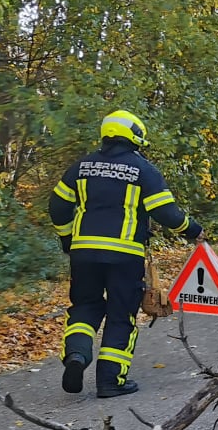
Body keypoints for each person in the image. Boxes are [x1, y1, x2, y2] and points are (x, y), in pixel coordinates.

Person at [49, 111, 202, 399]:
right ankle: (110, 381)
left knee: (84, 307)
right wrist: (193, 230)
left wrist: (67, 237)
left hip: (84, 254)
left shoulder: (81, 167)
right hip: (124, 256)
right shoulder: (143, 170)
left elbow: (57, 204)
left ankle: (77, 356)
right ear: (136, 137)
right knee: (121, 315)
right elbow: (165, 212)